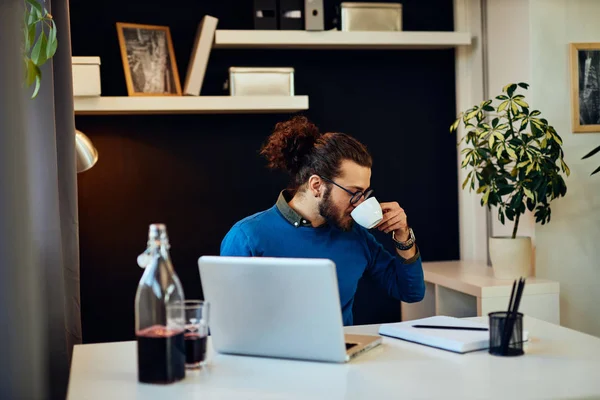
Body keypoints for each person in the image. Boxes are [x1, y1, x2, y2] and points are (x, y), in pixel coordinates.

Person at [220, 116, 425, 326]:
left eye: (364, 194)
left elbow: (411, 292)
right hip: (272, 357)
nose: (360, 203)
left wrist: (403, 234)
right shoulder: (248, 237)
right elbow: (227, 324)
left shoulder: (355, 235)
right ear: (317, 186)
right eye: (354, 193)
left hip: (343, 355)